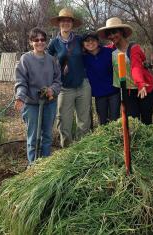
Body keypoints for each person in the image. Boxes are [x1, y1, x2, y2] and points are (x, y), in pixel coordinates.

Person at [14, 27, 61, 165]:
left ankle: (45, 165)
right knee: (33, 137)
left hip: (49, 103)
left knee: (47, 136)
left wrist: (52, 90)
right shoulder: (26, 59)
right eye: (36, 40)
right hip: (32, 104)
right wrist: (20, 97)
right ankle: (33, 166)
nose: (40, 42)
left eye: (42, 39)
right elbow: (21, 81)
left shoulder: (52, 60)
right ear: (31, 42)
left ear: (45, 42)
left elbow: (58, 80)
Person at [97, 17, 153, 125]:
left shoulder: (134, 48)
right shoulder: (110, 50)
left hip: (144, 89)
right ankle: (135, 141)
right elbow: (95, 52)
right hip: (128, 91)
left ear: (121, 32)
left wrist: (140, 83)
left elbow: (136, 67)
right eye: (108, 34)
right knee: (133, 122)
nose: (111, 36)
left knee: (146, 121)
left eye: (114, 32)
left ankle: (148, 141)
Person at [48, 8, 91, 147]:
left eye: (69, 20)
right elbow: (45, 59)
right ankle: (67, 151)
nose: (66, 23)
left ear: (72, 23)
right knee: (64, 122)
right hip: (64, 87)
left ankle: (82, 149)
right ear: (59, 23)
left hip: (82, 85)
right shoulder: (54, 43)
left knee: (84, 122)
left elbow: (93, 48)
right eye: (63, 20)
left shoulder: (79, 40)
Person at [82, 32, 120, 125]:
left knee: (114, 120)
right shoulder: (83, 58)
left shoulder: (109, 52)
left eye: (93, 40)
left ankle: (115, 139)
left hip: (114, 92)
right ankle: (105, 139)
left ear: (98, 41)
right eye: (87, 41)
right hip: (99, 94)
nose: (90, 43)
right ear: (83, 44)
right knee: (102, 122)